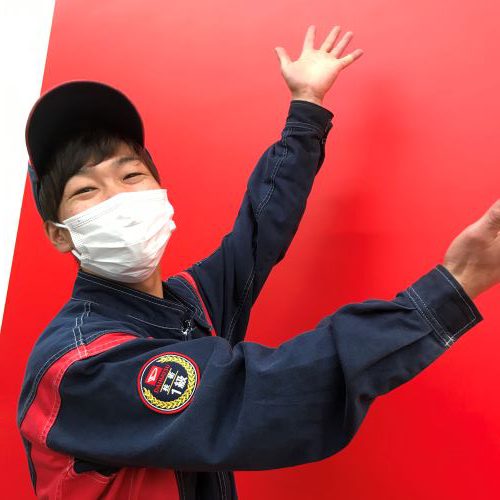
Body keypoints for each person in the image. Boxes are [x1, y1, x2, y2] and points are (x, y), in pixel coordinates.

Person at [16, 24, 497, 500]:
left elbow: (260, 230)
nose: (118, 199)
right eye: (86, 190)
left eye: (131, 175)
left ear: (160, 192)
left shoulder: (186, 303)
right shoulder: (81, 366)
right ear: (59, 233)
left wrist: (307, 108)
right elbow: (262, 395)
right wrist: (450, 290)